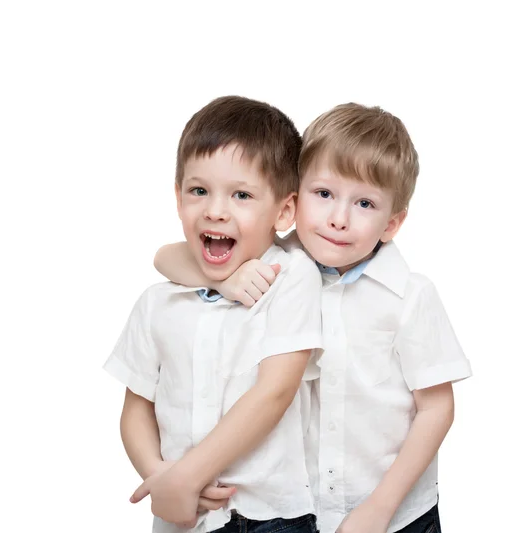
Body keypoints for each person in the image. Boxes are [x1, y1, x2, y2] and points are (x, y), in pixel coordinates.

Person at [155, 102, 473, 533]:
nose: (338, 219)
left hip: (395, 513)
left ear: (391, 223)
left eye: (364, 203)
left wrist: (379, 509)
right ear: (293, 198)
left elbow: (436, 409)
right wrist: (227, 281)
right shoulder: (275, 264)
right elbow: (166, 258)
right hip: (309, 514)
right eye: (323, 194)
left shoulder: (409, 296)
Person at [105, 96, 323, 533]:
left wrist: (188, 475)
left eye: (241, 195)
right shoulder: (157, 303)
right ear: (178, 195)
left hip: (269, 517)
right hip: (182, 516)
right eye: (198, 190)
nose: (215, 209)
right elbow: (136, 407)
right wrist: (162, 477)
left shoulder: (291, 275)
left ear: (284, 211)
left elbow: (274, 393)